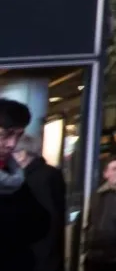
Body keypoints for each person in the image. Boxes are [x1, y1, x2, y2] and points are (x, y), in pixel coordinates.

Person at [0, 99, 49, 271]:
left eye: (18, 135)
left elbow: (42, 224)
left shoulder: (13, 175)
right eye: (5, 135)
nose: (12, 144)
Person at [15, 132, 68, 271]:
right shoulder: (47, 174)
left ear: (22, 154)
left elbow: (48, 220)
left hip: (39, 257)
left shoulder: (39, 178)